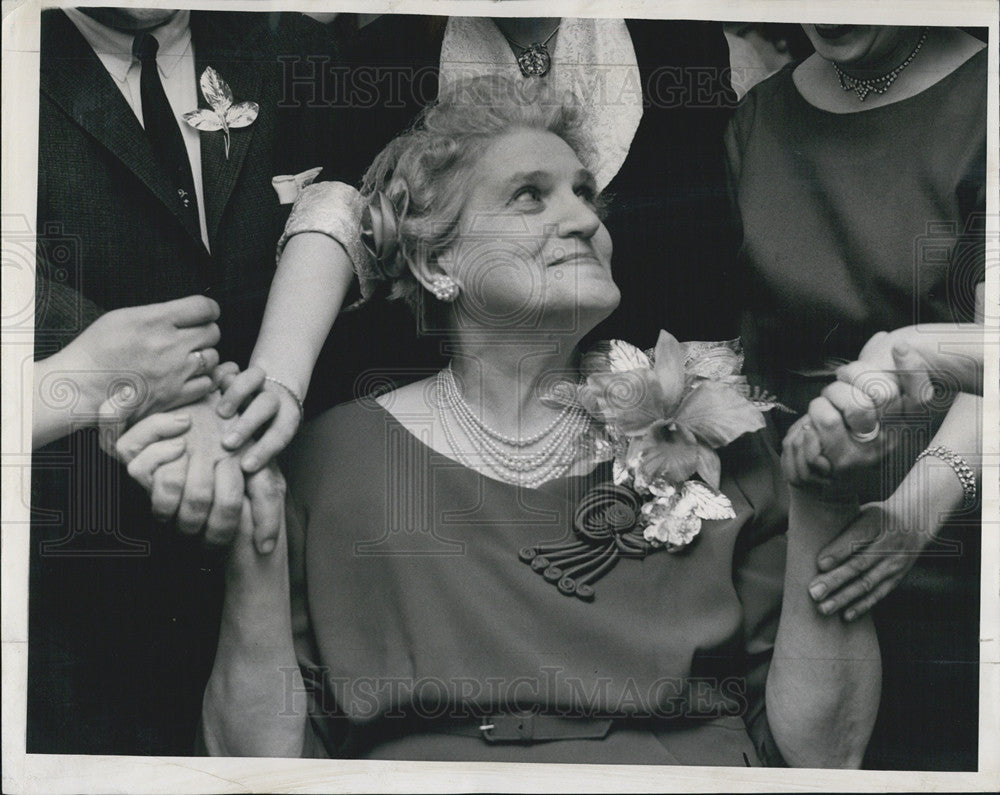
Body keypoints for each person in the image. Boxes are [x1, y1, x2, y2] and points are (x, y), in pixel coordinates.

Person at [154, 76, 880, 765]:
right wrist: (254, 548)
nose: (584, 219)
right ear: (441, 264)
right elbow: (255, 765)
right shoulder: (332, 461)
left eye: (586, 195)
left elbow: (826, 752)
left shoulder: (724, 432)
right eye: (530, 197)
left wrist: (824, 504)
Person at [207, 14, 741, 476]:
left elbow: (701, 256)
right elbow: (341, 213)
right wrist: (277, 381)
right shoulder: (385, 56)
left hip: (650, 425)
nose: (578, 217)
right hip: (459, 417)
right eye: (530, 195)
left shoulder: (676, 40)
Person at [29, 6, 340, 755]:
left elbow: (351, 198)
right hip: (67, 579)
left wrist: (269, 386)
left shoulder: (288, 44)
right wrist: (112, 381)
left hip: (284, 547)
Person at [725, 24, 985, 769]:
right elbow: (749, 351)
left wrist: (915, 514)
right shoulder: (759, 118)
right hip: (797, 529)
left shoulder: (985, 94)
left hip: (949, 524)